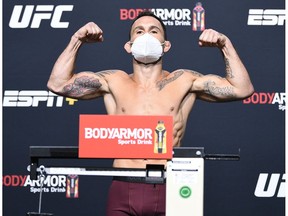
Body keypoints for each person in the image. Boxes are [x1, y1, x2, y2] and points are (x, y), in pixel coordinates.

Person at [47, 11, 254, 216]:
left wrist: (224, 45)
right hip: (123, 184)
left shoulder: (184, 81)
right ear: (128, 46)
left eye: (154, 31)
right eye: (139, 31)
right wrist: (77, 40)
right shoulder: (113, 81)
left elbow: (242, 89)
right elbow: (57, 84)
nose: (146, 36)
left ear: (166, 45)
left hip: (170, 187)